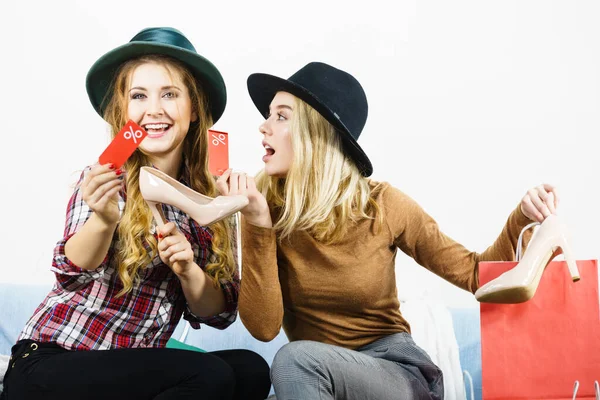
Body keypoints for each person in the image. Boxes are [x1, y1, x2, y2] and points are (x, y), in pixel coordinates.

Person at [217, 61, 559, 399]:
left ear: (316, 133)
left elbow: (476, 275)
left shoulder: (382, 205)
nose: (263, 126)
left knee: (295, 361)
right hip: (317, 383)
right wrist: (257, 223)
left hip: (395, 373)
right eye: (269, 115)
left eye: (281, 116)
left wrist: (521, 218)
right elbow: (264, 328)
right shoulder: (264, 208)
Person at [0, 27, 270, 400]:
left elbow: (217, 314)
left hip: (129, 370)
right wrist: (104, 219)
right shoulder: (105, 179)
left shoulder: (210, 201)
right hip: (52, 364)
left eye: (170, 94)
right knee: (209, 376)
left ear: (194, 110)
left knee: (250, 370)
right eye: (139, 95)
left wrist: (188, 270)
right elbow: (72, 270)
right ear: (124, 111)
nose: (154, 109)